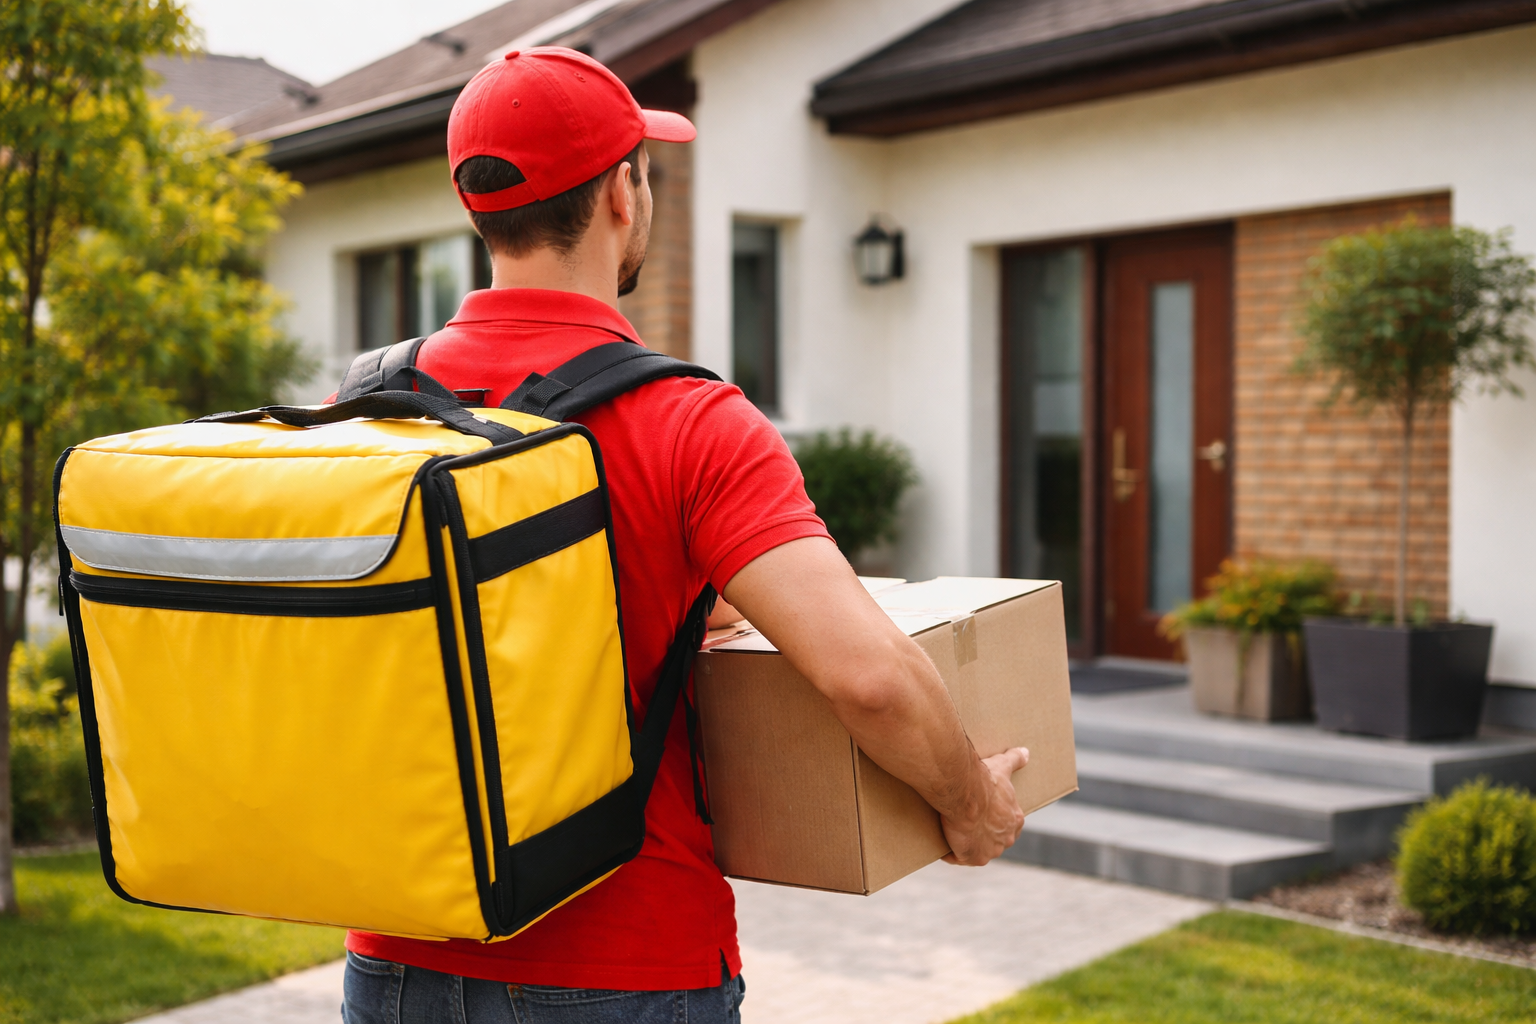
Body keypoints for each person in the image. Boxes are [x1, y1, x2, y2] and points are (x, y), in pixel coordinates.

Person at [339, 46, 1029, 1024]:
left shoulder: (370, 402)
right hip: (624, 966)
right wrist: (971, 803)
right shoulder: (690, 421)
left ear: (478, 205)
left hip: (395, 959)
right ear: (624, 193)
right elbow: (867, 674)